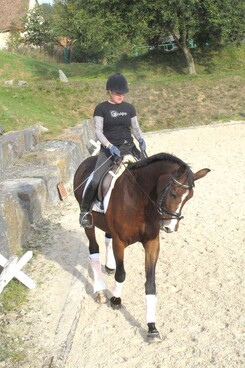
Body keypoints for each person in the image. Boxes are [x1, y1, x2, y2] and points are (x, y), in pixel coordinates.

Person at [80, 73, 146, 228]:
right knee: (96, 179)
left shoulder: (129, 108)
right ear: (109, 91)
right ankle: (84, 211)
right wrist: (109, 146)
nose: (121, 95)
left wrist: (141, 140)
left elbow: (135, 128)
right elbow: (98, 131)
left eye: (123, 93)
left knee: (148, 174)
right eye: (118, 93)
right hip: (109, 150)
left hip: (129, 147)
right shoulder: (101, 108)